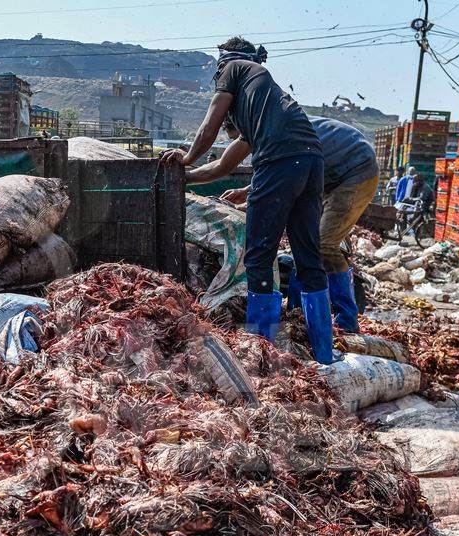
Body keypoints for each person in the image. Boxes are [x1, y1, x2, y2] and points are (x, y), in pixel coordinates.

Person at [161, 35, 333, 364]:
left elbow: (210, 125)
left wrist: (186, 158)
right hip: (311, 160)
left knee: (257, 258)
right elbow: (225, 164)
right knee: (308, 259)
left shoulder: (235, 67)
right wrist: (187, 177)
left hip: (280, 161)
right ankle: (324, 354)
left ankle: (259, 355)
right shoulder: (264, 106)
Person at [189, 116, 377, 333]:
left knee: (324, 246)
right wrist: (247, 192)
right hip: (326, 175)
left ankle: (347, 320)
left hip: (354, 171)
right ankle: (298, 312)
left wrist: (252, 201)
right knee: (304, 248)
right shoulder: (271, 130)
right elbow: (277, 169)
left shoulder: (272, 130)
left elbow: (281, 174)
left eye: (240, 141)